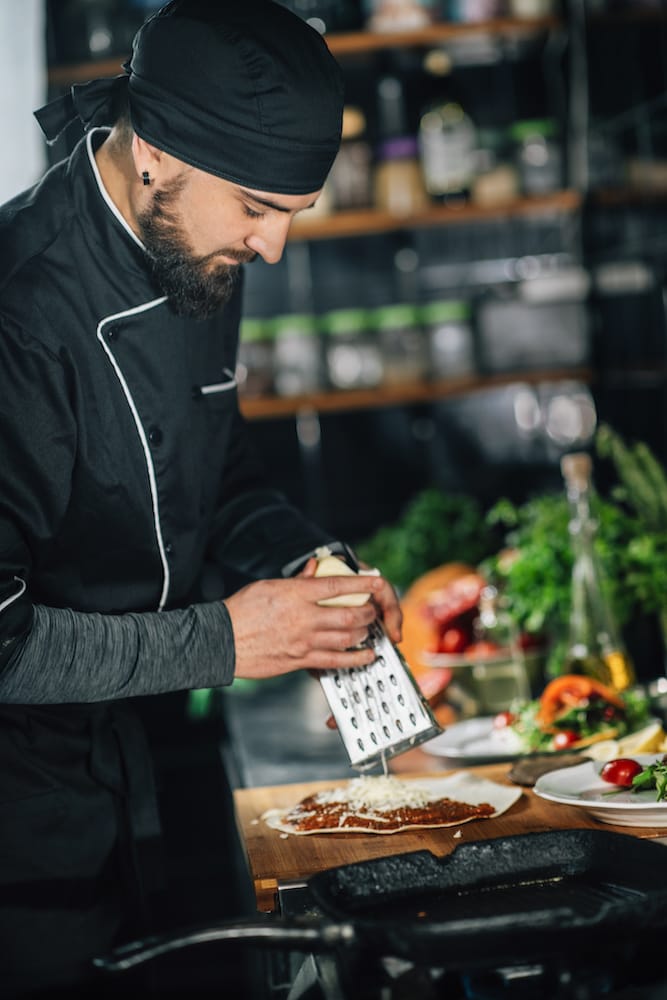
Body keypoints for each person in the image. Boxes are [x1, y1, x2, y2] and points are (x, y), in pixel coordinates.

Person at [0, 1, 402, 994]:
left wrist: (303, 566)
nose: (270, 250)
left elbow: (218, 473)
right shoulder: (19, 310)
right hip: (20, 843)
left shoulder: (196, 238)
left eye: (288, 215)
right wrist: (227, 640)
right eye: (257, 210)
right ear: (156, 157)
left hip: (149, 774)